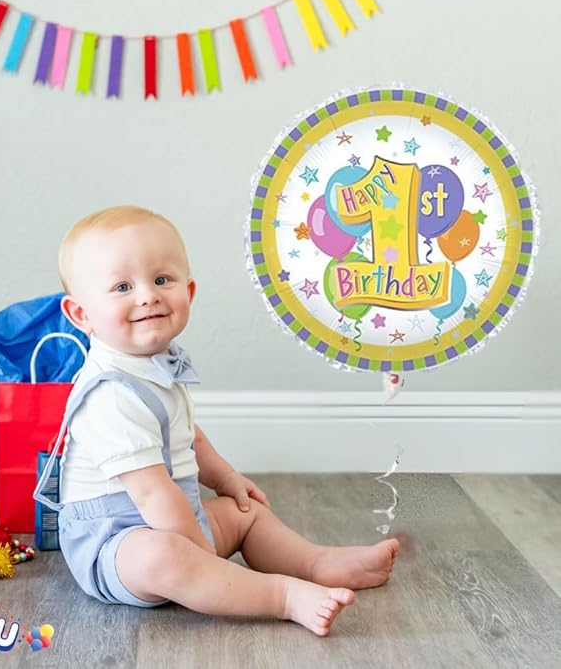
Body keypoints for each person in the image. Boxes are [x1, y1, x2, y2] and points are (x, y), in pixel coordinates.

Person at [36, 205, 399, 637]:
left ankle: (316, 562)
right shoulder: (108, 393)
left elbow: (188, 437)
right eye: (122, 287)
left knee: (246, 514)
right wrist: (200, 553)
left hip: (174, 514)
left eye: (161, 280)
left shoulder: (155, 365)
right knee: (166, 557)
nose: (148, 296)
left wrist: (226, 479)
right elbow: (152, 493)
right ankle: (281, 596)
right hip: (115, 542)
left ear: (188, 291)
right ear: (81, 315)